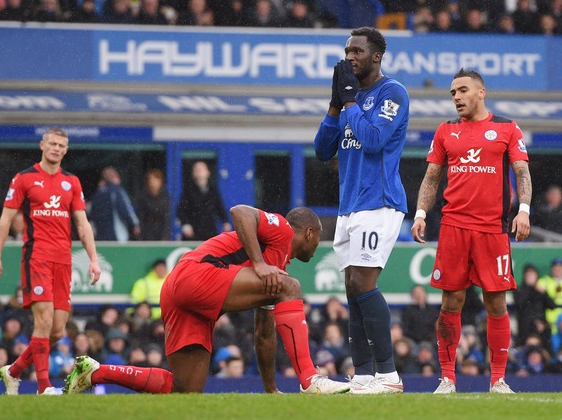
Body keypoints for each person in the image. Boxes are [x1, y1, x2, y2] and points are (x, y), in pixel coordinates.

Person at [64, 205, 350, 394]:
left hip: (178, 291)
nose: (317, 246)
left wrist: (271, 390)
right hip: (195, 275)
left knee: (185, 390)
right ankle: (311, 379)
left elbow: (264, 334)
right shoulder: (283, 232)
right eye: (318, 239)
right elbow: (240, 212)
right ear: (310, 233)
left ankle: (95, 372)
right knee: (292, 286)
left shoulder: (275, 277)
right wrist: (259, 263)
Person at [410, 68, 532, 394]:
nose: (457, 98)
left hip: (493, 229)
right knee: (451, 301)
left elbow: (521, 172)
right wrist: (421, 213)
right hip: (453, 226)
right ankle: (448, 378)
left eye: (462, 90)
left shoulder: (506, 127)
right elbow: (432, 177)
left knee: (496, 303)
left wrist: (524, 210)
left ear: (481, 92)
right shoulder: (445, 131)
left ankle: (498, 380)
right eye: (452, 93)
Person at [313, 26, 410, 394]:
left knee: (364, 283)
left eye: (357, 51)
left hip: (380, 200)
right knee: (352, 287)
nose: (350, 57)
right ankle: (364, 374)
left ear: (376, 56)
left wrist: (351, 102)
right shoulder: (349, 98)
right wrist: (336, 103)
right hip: (349, 205)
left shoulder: (392, 93)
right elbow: (323, 149)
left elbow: (372, 141)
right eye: (347, 51)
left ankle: (388, 375)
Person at [0, 128, 101, 395]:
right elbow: (5, 219)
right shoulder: (24, 178)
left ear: (66, 150)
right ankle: (43, 387)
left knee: (58, 330)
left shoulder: (71, 182)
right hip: (36, 256)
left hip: (64, 260)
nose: (56, 148)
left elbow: (82, 224)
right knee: (44, 320)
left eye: (61, 145)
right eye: (52, 143)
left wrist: (93, 259)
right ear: (42, 145)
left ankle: (13, 371)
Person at [177, 161, 232, 241]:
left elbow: (220, 207)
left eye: (201, 169)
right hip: (193, 233)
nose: (199, 172)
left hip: (210, 231)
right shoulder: (188, 190)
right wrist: (185, 224)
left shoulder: (213, 190)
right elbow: (181, 210)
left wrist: (225, 221)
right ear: (193, 174)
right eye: (196, 170)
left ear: (208, 172)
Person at [89, 166, 141, 242]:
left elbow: (91, 213)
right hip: (117, 235)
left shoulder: (97, 194)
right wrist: (134, 224)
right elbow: (125, 210)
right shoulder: (117, 191)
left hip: (100, 237)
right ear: (116, 177)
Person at [514, 263, 556, 347]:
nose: (531, 277)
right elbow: (520, 304)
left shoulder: (540, 291)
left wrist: (544, 293)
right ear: (524, 276)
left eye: (533, 274)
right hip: (525, 329)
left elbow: (552, 306)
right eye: (528, 274)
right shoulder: (519, 290)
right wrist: (531, 288)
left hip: (541, 328)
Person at [136, 169, 171, 241]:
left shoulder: (165, 197)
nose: (152, 183)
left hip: (161, 230)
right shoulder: (143, 197)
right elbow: (141, 217)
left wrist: (165, 237)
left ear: (160, 181)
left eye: (155, 180)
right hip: (147, 231)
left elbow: (167, 218)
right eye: (150, 180)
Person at [537, 257, 562, 337]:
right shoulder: (545, 281)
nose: (557, 269)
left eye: (560, 267)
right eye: (555, 267)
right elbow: (538, 286)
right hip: (551, 321)